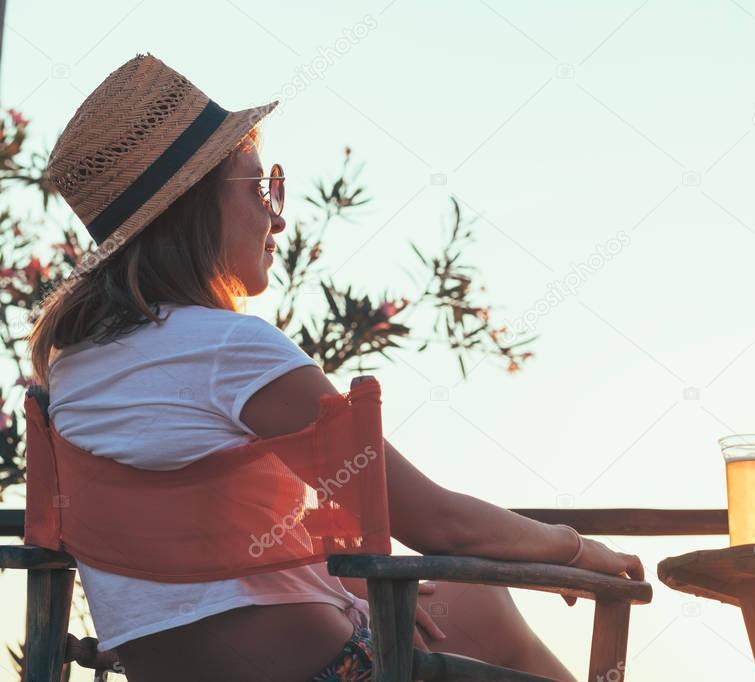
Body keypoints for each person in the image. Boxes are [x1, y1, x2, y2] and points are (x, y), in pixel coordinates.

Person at [29, 53, 644, 682]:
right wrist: (576, 548)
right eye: (261, 187)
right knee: (485, 604)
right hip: (332, 671)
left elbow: (195, 538)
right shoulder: (229, 350)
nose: (279, 214)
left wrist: (349, 596)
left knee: (466, 606)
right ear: (194, 208)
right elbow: (439, 524)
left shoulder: (70, 372)